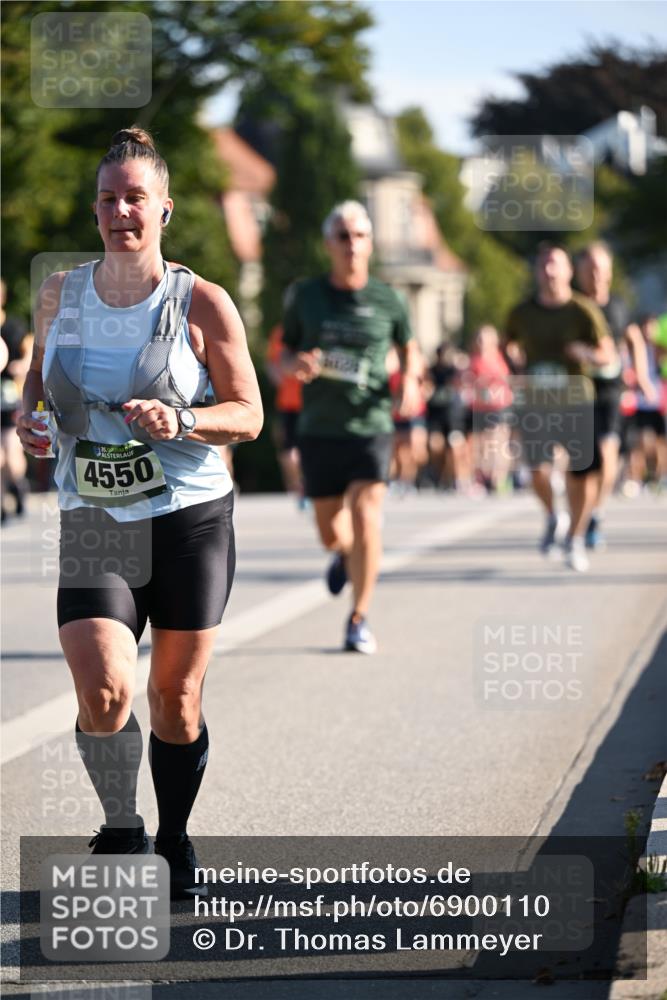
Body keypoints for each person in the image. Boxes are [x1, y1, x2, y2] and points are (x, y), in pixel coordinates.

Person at [17, 127, 263, 897]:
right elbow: (37, 381)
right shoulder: (61, 293)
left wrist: (183, 421)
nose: (119, 210)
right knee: (102, 689)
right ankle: (122, 823)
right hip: (94, 514)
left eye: (134, 198)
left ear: (164, 211)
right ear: (95, 210)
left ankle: (175, 836)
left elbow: (249, 414)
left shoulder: (202, 302)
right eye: (107, 199)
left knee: (174, 699)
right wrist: (30, 423)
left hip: (188, 518)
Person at [281, 200, 422, 653]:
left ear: (371, 244)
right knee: (330, 532)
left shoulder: (388, 299)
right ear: (329, 245)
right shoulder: (306, 296)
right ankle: (342, 555)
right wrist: (295, 363)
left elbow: (411, 346)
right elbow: (280, 355)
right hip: (320, 427)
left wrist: (412, 382)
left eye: (360, 236)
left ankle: (359, 616)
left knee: (366, 517)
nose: (352, 245)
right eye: (343, 236)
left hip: (371, 424)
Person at [506, 243, 616, 572]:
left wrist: (586, 354)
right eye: (543, 265)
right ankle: (555, 515)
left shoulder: (583, 310)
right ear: (537, 272)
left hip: (576, 401)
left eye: (556, 265)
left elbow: (607, 353)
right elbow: (507, 342)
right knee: (536, 472)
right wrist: (515, 364)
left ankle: (577, 538)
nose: (550, 271)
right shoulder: (521, 312)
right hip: (538, 402)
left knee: (581, 476)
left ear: (569, 271)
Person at [574, 242, 655, 547]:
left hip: (610, 390)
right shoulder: (573, 306)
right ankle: (579, 513)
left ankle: (596, 511)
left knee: (608, 455)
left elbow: (633, 338)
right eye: (589, 268)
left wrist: (643, 376)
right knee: (583, 464)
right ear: (580, 272)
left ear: (608, 272)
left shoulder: (618, 306)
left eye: (600, 268)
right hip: (577, 390)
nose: (595, 274)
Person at [467, 325, 513, 494]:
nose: (481, 342)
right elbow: (468, 381)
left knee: (499, 441)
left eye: (484, 338)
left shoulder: (500, 358)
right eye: (479, 338)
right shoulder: (474, 360)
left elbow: (506, 379)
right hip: (479, 406)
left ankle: (499, 477)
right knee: (481, 443)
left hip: (499, 406)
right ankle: (483, 476)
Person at [1, 278, 32, 522]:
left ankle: (18, 486)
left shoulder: (12, 327)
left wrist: (19, 366)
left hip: (9, 398)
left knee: (11, 453)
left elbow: (31, 354)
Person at [265, 323, 304, 503]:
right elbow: (271, 363)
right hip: (288, 402)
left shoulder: (313, 326)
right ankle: (299, 486)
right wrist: (281, 381)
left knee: (302, 449)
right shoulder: (281, 332)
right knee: (289, 451)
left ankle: (303, 486)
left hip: (313, 403)